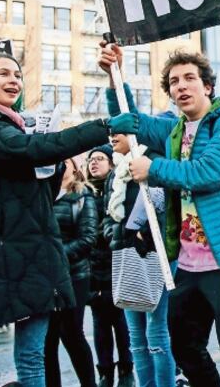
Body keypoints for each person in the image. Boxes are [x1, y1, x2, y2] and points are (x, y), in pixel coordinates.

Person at [100, 45, 220, 387]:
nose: (181, 86)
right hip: (190, 263)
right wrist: (115, 79)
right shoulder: (176, 131)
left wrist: (152, 168)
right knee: (185, 347)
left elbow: (208, 172)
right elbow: (132, 121)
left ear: (207, 87)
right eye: (173, 81)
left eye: (189, 78)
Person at [0, 53, 119, 387]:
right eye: (4, 73)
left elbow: (41, 193)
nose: (14, 80)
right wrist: (102, 128)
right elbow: (26, 150)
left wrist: (52, 169)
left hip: (34, 256)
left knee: (32, 361)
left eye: (18, 75)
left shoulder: (16, 130)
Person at [104, 131, 175, 387]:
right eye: (110, 133)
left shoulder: (152, 161)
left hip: (158, 255)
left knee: (156, 334)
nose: (112, 137)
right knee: (136, 338)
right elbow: (107, 216)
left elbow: (166, 204)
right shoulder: (117, 172)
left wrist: (143, 230)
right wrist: (119, 232)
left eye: (118, 133)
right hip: (126, 254)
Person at [44, 159, 99, 387]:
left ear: (74, 166)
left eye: (63, 162)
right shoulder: (43, 194)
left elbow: (88, 238)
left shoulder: (82, 195)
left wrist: (55, 256)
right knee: (48, 341)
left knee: (72, 335)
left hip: (74, 275)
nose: (58, 166)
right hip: (46, 278)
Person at [86, 144, 135, 387]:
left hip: (117, 266)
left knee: (121, 322)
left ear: (111, 163)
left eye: (100, 158)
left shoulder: (117, 191)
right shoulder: (84, 194)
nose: (94, 163)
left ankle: (127, 369)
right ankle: (105, 371)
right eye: (91, 160)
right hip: (93, 272)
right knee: (100, 324)